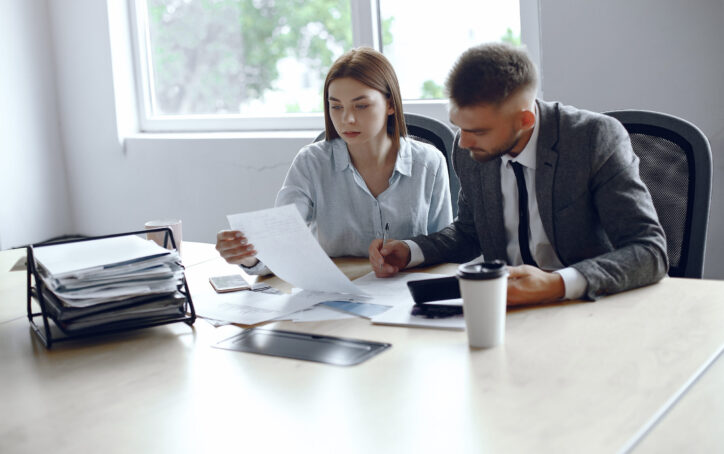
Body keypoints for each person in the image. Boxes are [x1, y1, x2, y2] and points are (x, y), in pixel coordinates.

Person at [369, 43, 668, 305]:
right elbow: (469, 232)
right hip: (510, 309)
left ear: (525, 120)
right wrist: (410, 251)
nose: (464, 141)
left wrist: (556, 284)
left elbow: (649, 249)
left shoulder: (592, 139)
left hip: (586, 305)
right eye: (459, 125)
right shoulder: (470, 150)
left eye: (478, 131)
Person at [216, 47, 453, 274]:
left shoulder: (429, 164)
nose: (347, 119)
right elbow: (282, 244)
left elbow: (444, 249)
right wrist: (248, 255)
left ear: (390, 104)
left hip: (404, 293)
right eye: (336, 106)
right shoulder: (311, 163)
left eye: (361, 106)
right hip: (337, 294)